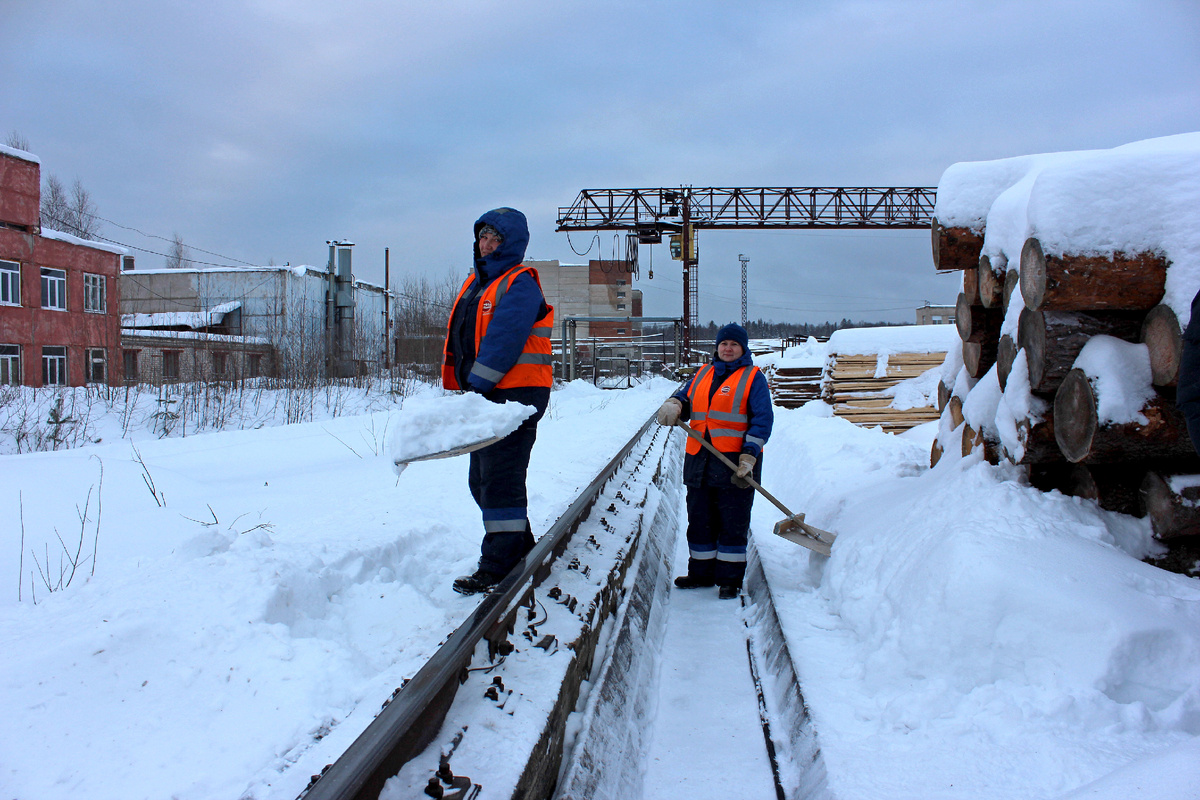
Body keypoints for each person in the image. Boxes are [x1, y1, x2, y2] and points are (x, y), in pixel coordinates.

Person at [443, 208, 554, 594]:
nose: (486, 245)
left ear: (512, 245)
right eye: (482, 238)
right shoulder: (478, 284)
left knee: (500, 480)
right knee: (481, 481)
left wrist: (476, 386)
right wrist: (466, 389)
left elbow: (504, 340)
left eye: (495, 239)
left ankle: (498, 566)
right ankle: (519, 546)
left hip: (516, 395)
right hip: (488, 393)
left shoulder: (520, 283)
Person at [656, 322, 773, 599]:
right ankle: (701, 573)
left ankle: (729, 579)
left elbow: (762, 419)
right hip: (700, 459)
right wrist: (675, 404)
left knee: (733, 520)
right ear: (717, 347)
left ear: (742, 348)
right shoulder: (703, 372)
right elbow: (684, 396)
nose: (728, 349)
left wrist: (750, 454)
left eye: (733, 344)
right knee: (700, 518)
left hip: (735, 461)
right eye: (723, 344)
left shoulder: (753, 377)